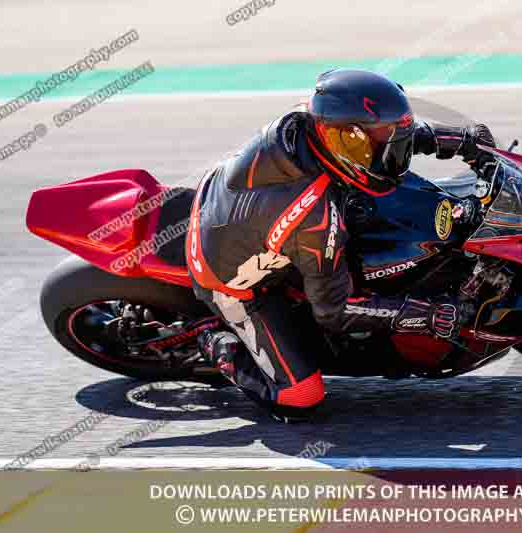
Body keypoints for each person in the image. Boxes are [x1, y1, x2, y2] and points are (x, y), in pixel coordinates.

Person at [186, 68, 496, 422]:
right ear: (341, 137)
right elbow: (333, 311)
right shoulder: (314, 218)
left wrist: (459, 139)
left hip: (240, 210)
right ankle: (215, 342)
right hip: (229, 278)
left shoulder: (311, 122)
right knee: (301, 398)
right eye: (373, 143)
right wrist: (422, 315)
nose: (387, 150)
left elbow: (381, 137)